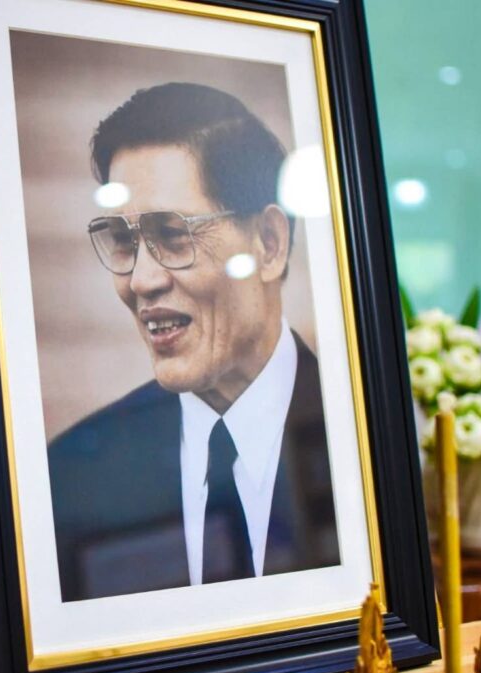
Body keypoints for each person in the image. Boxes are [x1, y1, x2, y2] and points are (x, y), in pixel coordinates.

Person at [47, 82, 340, 602]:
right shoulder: (71, 476)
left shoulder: (360, 438)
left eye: (173, 234)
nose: (141, 281)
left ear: (269, 243)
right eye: (123, 241)